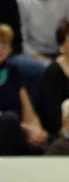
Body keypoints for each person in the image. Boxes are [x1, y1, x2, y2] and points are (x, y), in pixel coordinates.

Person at [0, 24, 48, 154]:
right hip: (10, 125)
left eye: (5, 44)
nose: (1, 48)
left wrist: (37, 131)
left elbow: (28, 111)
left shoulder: (13, 72)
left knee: (41, 142)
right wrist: (25, 128)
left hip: (16, 130)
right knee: (10, 120)